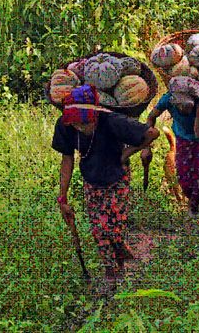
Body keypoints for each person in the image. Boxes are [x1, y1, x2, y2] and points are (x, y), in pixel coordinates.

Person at [51, 84, 159, 289]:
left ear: (94, 116)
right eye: (75, 124)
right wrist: (62, 197)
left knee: (114, 228)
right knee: (99, 229)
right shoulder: (65, 125)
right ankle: (110, 271)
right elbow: (67, 159)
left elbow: (152, 133)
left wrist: (127, 154)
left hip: (117, 179)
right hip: (91, 180)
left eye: (84, 124)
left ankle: (119, 255)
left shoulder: (112, 121)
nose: (80, 128)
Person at [145, 77, 199, 217]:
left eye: (187, 105)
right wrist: (146, 144)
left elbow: (198, 133)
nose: (182, 108)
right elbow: (151, 117)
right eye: (179, 105)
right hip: (184, 138)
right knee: (185, 176)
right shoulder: (168, 99)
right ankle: (193, 205)